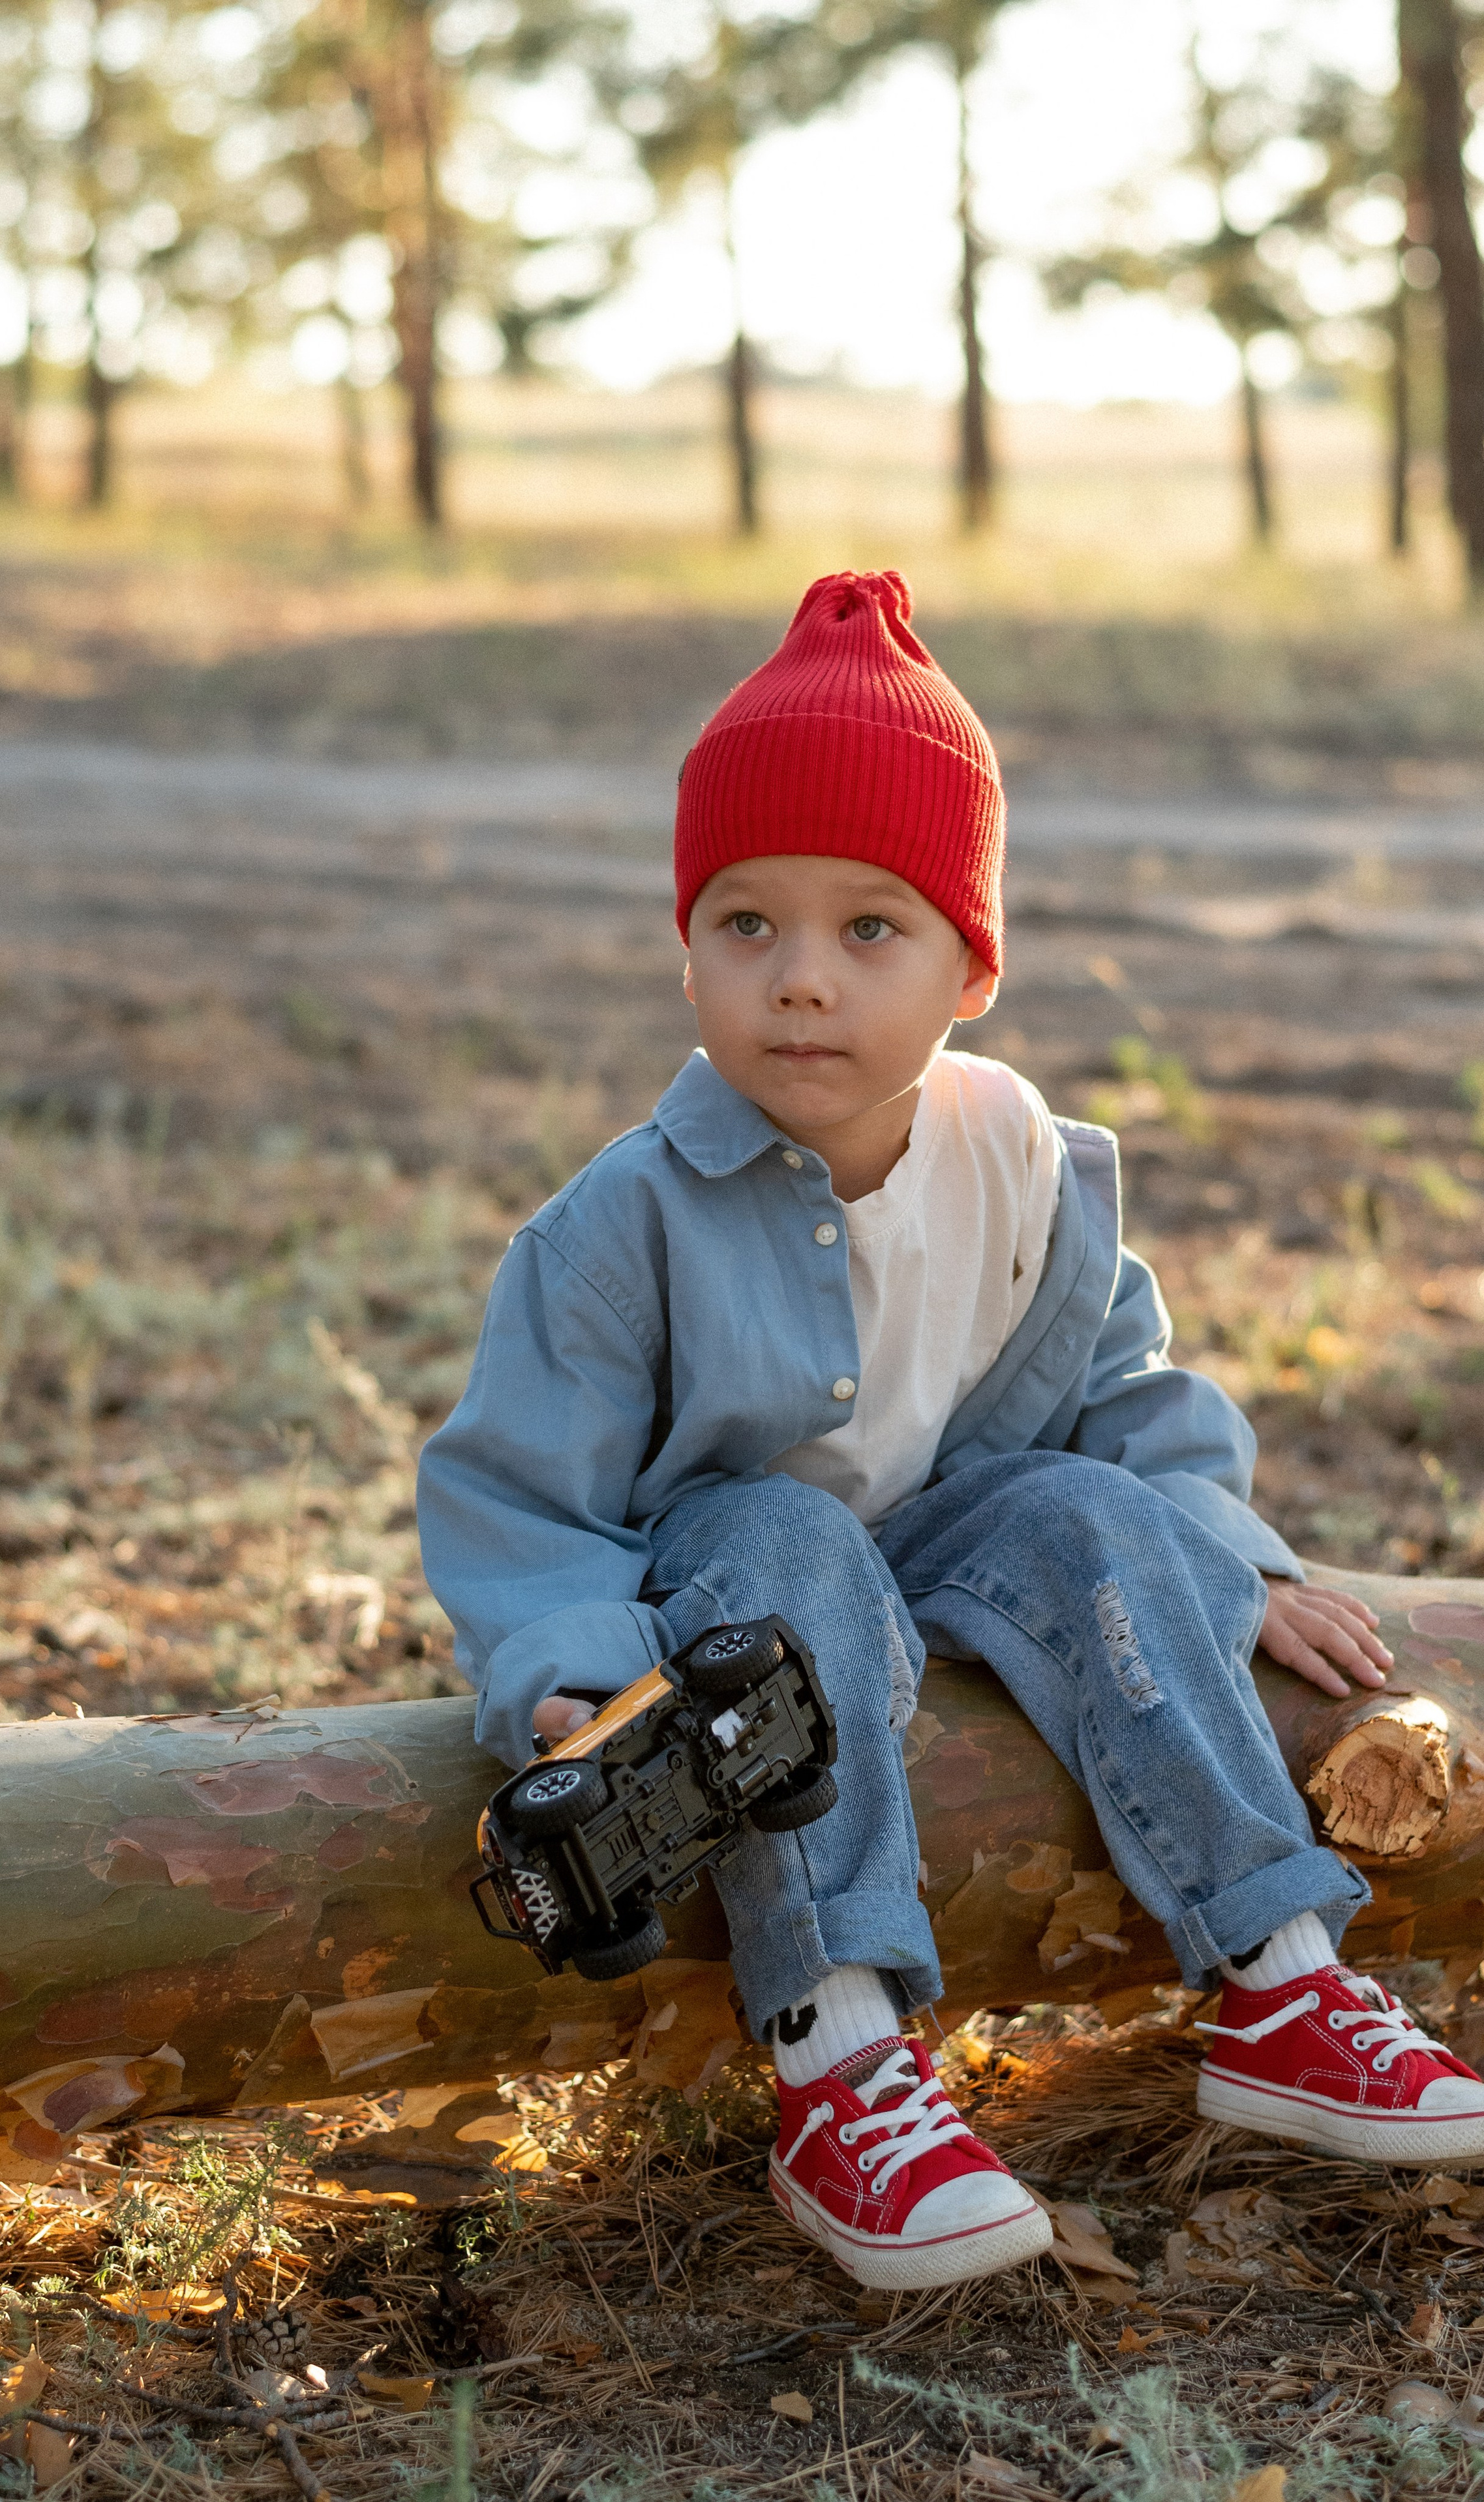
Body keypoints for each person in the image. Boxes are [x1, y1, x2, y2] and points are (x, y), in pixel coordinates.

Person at [417, 570, 1484, 2293]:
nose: (800, 986)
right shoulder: (620, 1224)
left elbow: (1122, 1390)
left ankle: (1279, 1976)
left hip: (955, 1534)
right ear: (686, 945)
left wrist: (1232, 1555)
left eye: (869, 929)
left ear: (972, 965)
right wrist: (570, 1670)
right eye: (745, 925)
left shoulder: (1024, 1168)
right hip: (736, 1583)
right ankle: (840, 2059)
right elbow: (520, 1498)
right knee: (790, 1544)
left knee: (1096, 1515)